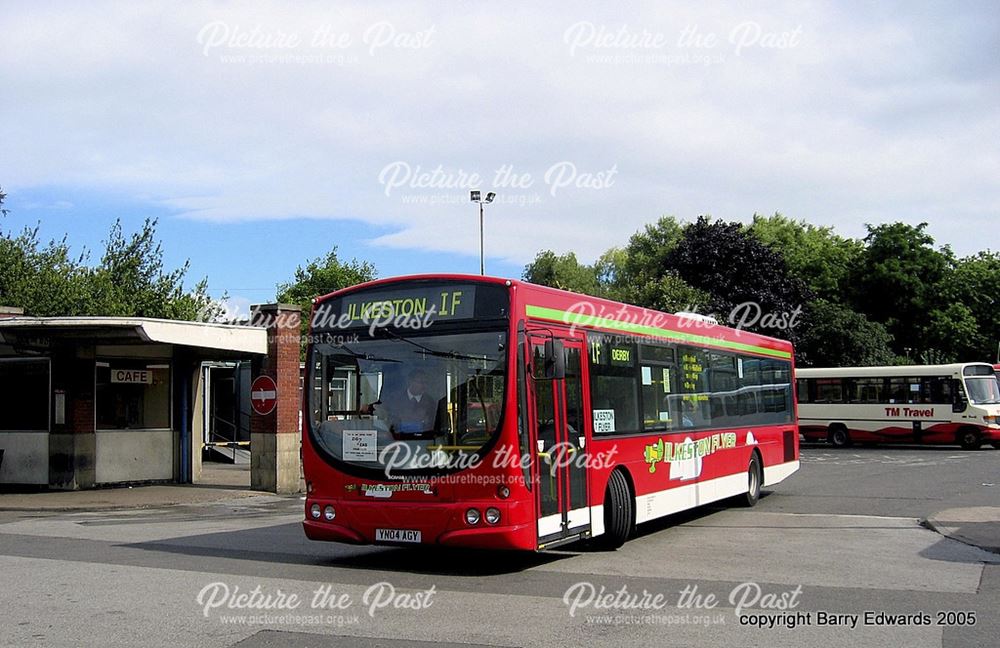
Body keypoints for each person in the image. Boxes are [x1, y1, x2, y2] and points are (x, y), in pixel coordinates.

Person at [375, 369, 438, 439]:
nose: (424, 385)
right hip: (397, 441)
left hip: (423, 441)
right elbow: (381, 409)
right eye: (420, 382)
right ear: (410, 381)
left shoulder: (430, 402)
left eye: (425, 382)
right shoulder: (395, 399)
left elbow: (433, 425)